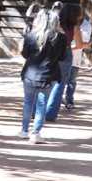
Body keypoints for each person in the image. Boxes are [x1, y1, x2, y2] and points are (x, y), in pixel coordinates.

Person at [19, 8, 67, 144]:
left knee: (28, 102)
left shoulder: (31, 36)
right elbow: (63, 57)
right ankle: (35, 133)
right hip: (49, 76)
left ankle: (23, 131)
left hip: (30, 75)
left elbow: (25, 55)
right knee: (41, 105)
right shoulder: (61, 38)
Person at [44, 2, 83, 122]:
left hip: (50, 53)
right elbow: (79, 44)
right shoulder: (74, 27)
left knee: (45, 81)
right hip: (65, 54)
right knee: (59, 84)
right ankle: (50, 114)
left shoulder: (54, 22)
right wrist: (87, 44)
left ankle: (36, 111)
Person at [62, 3, 92, 110]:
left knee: (72, 79)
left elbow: (81, 43)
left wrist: (67, 47)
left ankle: (69, 100)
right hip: (61, 56)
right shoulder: (63, 23)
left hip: (74, 57)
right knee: (59, 79)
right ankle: (56, 98)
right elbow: (82, 43)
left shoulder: (85, 25)